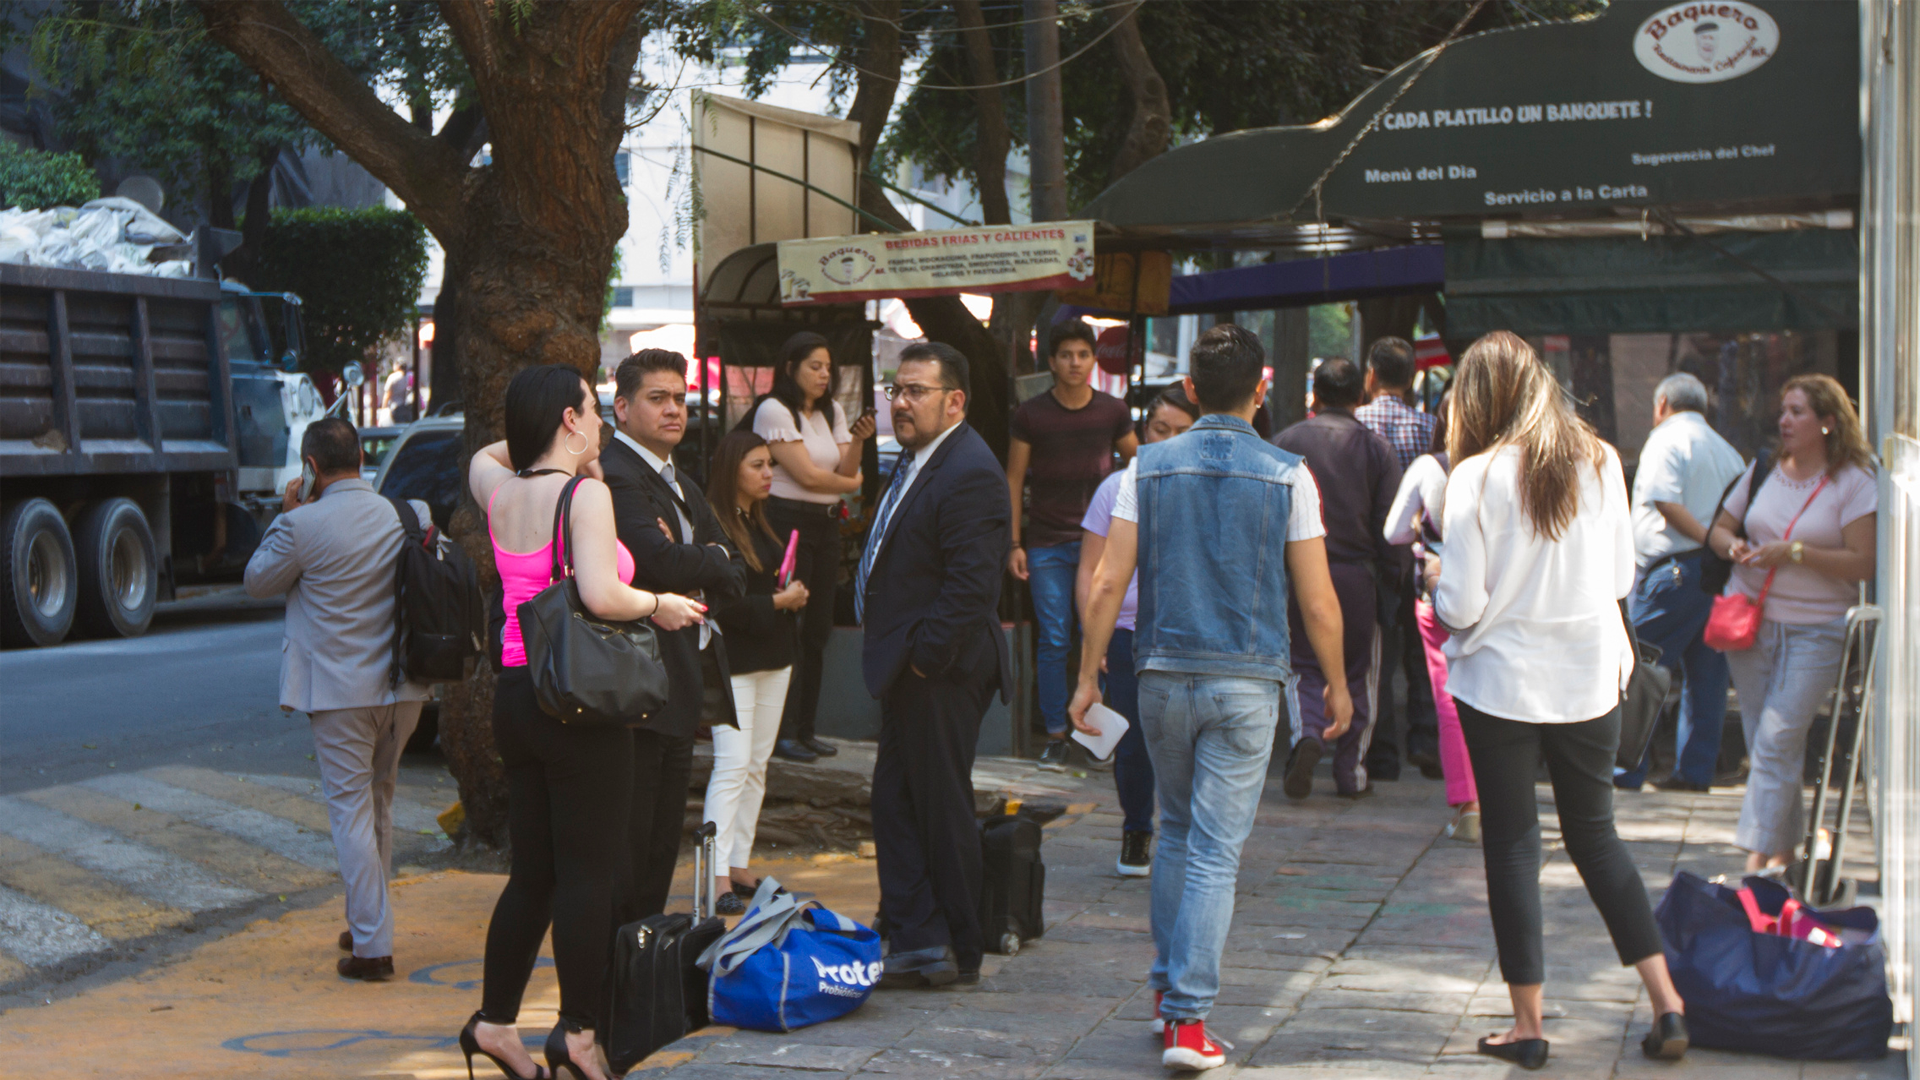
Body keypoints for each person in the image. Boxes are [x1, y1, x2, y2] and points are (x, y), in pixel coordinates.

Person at [1069, 324, 1352, 1072]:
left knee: (1176, 832)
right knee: (1215, 854)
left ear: (1192, 390)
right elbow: (1318, 601)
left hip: (1161, 674)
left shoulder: (1148, 466)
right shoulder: (1290, 476)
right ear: (1261, 389)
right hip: (1248, 682)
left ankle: (1168, 993)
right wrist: (1336, 685)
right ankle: (1188, 1022)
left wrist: (1089, 674)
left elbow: (1108, 580)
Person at [1428, 332, 1688, 1070]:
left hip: (1499, 684)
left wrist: (1440, 589)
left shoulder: (1474, 476)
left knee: (1513, 844)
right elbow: (1620, 578)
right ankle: (1668, 1003)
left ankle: (1529, 1025)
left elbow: (1462, 606)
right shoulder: (1601, 459)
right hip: (1588, 677)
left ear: (1477, 399)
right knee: (1597, 838)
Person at [461, 365, 703, 1080]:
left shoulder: (499, 490)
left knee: (533, 875)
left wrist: (555, 445)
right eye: (592, 410)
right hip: (579, 701)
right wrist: (659, 603)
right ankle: (578, 1035)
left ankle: (495, 1022)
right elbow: (600, 593)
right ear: (568, 418)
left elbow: (489, 452)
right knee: (588, 876)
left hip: (516, 694)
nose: (600, 422)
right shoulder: (585, 496)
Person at [244, 416, 432, 982]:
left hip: (339, 694)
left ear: (311, 467)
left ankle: (372, 947)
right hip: (405, 688)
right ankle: (366, 919)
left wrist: (286, 513)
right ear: (361, 459)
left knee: (350, 810)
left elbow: (256, 581)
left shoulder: (301, 526)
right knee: (380, 801)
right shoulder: (410, 515)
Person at [855, 342, 1013, 989]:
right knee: (896, 800)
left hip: (940, 668)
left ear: (955, 401)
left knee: (938, 803)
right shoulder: (920, 457)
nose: (901, 402)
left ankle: (955, 942)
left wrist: (924, 660)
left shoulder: (969, 468)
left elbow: (972, 585)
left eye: (916, 391)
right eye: (896, 389)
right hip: (908, 664)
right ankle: (915, 931)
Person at [1706, 373, 1876, 873]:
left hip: (1816, 630)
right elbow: (1719, 529)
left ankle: (1755, 865)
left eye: (1797, 412)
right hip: (1749, 622)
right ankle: (1784, 861)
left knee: (1776, 740)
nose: (1784, 420)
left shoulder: (1854, 483)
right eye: (1783, 410)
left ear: (1827, 423)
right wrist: (1733, 547)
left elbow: (1863, 563)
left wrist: (1796, 552)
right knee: (1770, 745)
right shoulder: (1763, 468)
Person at [601, 349, 747, 924]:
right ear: (621, 408)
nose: (673, 410)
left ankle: (645, 958)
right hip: (636, 685)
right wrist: (703, 557)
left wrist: (699, 559)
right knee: (631, 848)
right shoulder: (615, 473)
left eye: (680, 399)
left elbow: (736, 572)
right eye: (657, 398)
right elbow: (654, 562)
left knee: (663, 847)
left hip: (682, 684)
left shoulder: (680, 481)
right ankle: (620, 959)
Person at [1076, 386, 1198, 877]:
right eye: (1160, 430)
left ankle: (1188, 833)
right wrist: (1094, 640)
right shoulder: (1117, 487)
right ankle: (1136, 829)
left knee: (1187, 737)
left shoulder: (1208, 486)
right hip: (1126, 630)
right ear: (1144, 432)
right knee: (1132, 739)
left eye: (1182, 432)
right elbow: (1091, 572)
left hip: (1188, 632)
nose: (1168, 440)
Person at [1006, 319, 1138, 771]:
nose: (1075, 363)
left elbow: (1141, 464)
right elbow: (1013, 478)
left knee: (1097, 634)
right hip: (1045, 542)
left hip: (1099, 542)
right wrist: (1014, 542)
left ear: (1093, 360)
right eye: (1066, 355)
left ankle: (1098, 733)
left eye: (1083, 355)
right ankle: (1056, 735)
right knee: (1055, 637)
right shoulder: (1030, 415)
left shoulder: (1112, 411)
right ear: (1052, 362)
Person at [1272, 357, 1406, 799]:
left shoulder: (1285, 442)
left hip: (1300, 574)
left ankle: (1308, 733)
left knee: (1304, 665)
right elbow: (1391, 528)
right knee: (1359, 672)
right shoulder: (1377, 448)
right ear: (1360, 395)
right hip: (1358, 577)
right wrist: (1394, 582)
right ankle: (1351, 771)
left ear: (1315, 394)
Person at [1615, 373, 1746, 793]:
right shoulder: (1728, 452)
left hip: (1672, 572)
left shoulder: (1666, 440)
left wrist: (1706, 538)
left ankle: (1624, 768)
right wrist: (1715, 543)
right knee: (1707, 677)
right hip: (1715, 574)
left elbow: (1666, 503)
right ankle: (1695, 772)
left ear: (1662, 404)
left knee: (1637, 667)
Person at [752, 331, 875, 763]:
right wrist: (850, 483)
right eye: (814, 366)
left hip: (825, 525)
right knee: (792, 624)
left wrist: (857, 443)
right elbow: (806, 475)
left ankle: (806, 729)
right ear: (790, 368)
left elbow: (844, 468)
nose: (824, 374)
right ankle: (782, 731)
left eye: (828, 367)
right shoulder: (774, 409)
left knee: (818, 629)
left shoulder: (832, 410)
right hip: (788, 522)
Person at [703, 431, 809, 916]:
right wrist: (779, 601)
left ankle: (738, 863)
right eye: (757, 465)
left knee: (756, 765)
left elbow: (761, 588)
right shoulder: (715, 526)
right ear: (732, 471)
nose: (769, 473)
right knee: (732, 765)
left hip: (774, 657)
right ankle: (716, 875)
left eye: (770, 464)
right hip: (736, 661)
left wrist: (786, 595)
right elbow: (723, 606)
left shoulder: (760, 520)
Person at [1383, 392, 1480, 841]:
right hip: (1496, 598)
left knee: (1449, 699)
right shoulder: (1502, 466)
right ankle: (1503, 799)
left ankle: (1467, 803)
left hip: (1439, 595)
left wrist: (1420, 529)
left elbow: (1393, 532)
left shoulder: (1430, 467)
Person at [1355, 335, 1442, 781]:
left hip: (1373, 557)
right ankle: (1427, 740)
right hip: (1422, 555)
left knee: (1379, 659)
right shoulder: (1429, 427)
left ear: (1370, 376)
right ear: (1410, 380)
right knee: (1421, 653)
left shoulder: (1355, 424)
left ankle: (1382, 753)